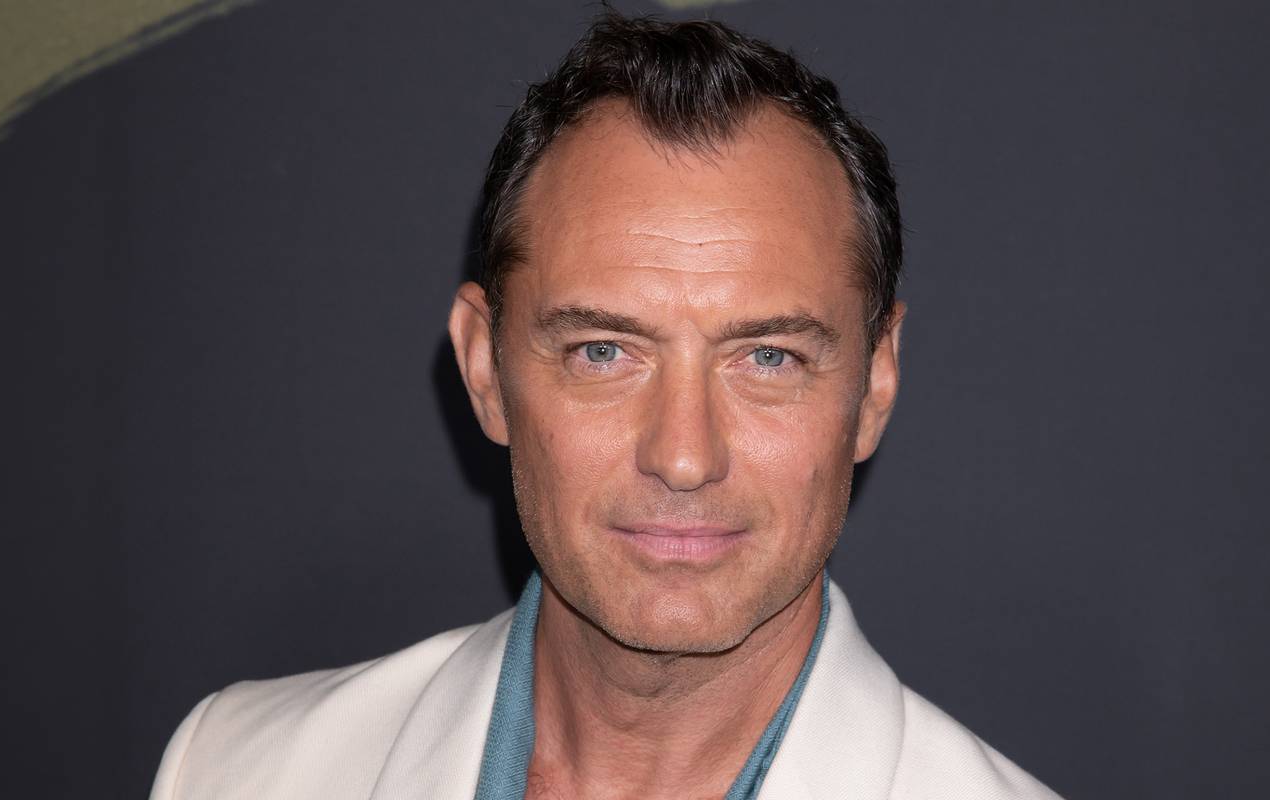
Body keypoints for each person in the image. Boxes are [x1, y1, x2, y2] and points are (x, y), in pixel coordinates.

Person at [150, 12, 1062, 800]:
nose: (683, 456)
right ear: (484, 368)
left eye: (768, 358)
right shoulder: (231, 770)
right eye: (604, 352)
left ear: (874, 387)